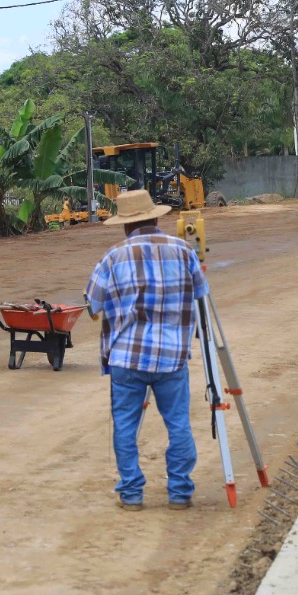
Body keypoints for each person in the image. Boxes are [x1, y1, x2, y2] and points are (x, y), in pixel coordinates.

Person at [86, 189, 208, 512]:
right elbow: (202, 293)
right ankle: (180, 491)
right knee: (178, 422)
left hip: (127, 358)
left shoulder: (113, 257)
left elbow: (93, 305)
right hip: (171, 357)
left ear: (125, 226)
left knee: (125, 425)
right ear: (156, 217)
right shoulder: (184, 251)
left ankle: (131, 493)